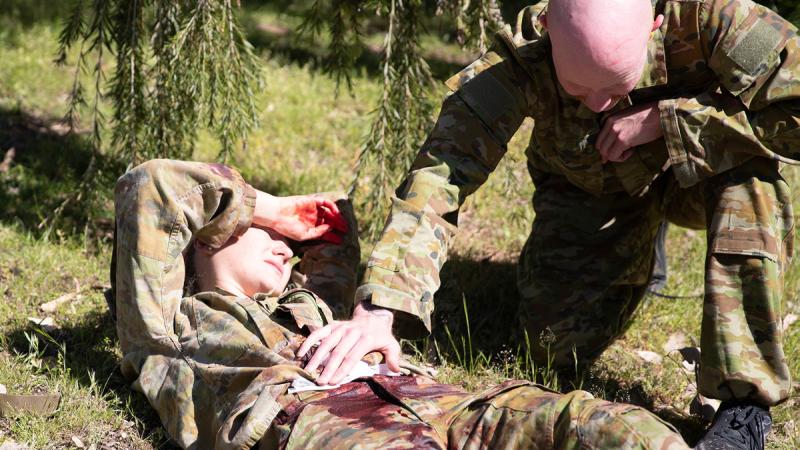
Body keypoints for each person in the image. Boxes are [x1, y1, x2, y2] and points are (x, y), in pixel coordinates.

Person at [301, 0, 798, 448]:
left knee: (752, 183)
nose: (600, 105)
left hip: (707, 178)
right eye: (579, 88)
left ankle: (743, 405)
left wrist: (670, 122)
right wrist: (381, 308)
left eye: (616, 85)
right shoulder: (523, 56)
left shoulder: (718, 20)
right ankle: (638, 249)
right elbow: (441, 174)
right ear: (548, 33)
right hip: (596, 191)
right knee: (551, 346)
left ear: (656, 27)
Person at [111, 159, 694, 449]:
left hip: (452, 409)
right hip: (335, 431)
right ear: (207, 233)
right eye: (273, 238)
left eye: (292, 246)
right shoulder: (167, 331)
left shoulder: (308, 306)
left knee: (614, 428)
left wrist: (293, 231)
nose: (289, 251)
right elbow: (155, 187)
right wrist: (268, 209)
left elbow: (334, 225)